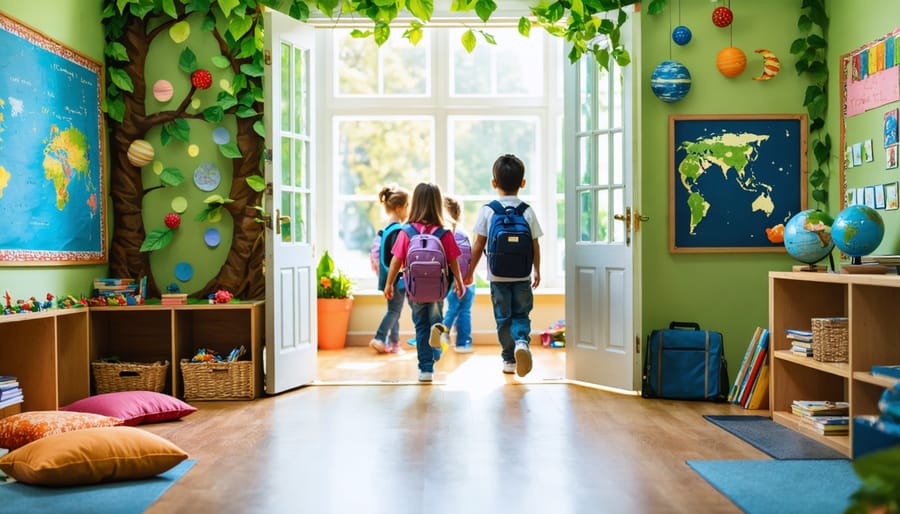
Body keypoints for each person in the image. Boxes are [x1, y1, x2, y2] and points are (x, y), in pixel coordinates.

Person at [463, 154, 543, 377]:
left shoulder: (488, 210)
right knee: (522, 314)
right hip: (522, 275)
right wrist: (537, 269)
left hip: (498, 278)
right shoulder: (527, 211)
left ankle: (509, 360)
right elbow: (535, 244)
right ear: (522, 183)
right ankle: (521, 342)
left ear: (494, 183)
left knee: (503, 317)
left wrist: (469, 272)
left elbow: (478, 245)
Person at [384, 183, 465, 382]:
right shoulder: (444, 233)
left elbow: (395, 261)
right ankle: (436, 348)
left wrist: (389, 284)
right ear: (438, 204)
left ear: (415, 203)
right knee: (435, 322)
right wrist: (460, 282)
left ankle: (425, 370)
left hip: (415, 289)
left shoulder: (407, 232)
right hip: (438, 289)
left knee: (420, 326)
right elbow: (454, 260)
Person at [370, 185, 410, 354]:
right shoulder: (399, 230)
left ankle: (394, 343)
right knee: (394, 310)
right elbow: (397, 258)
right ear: (399, 208)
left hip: (387, 277)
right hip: (396, 279)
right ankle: (379, 337)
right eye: (407, 205)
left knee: (394, 310)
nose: (409, 209)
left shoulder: (386, 230)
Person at [441, 196, 475, 353]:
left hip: (455, 281)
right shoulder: (463, 233)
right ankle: (462, 343)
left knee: (453, 308)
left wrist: (455, 279)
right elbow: (468, 258)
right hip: (467, 280)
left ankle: (443, 332)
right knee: (463, 311)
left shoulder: (447, 234)